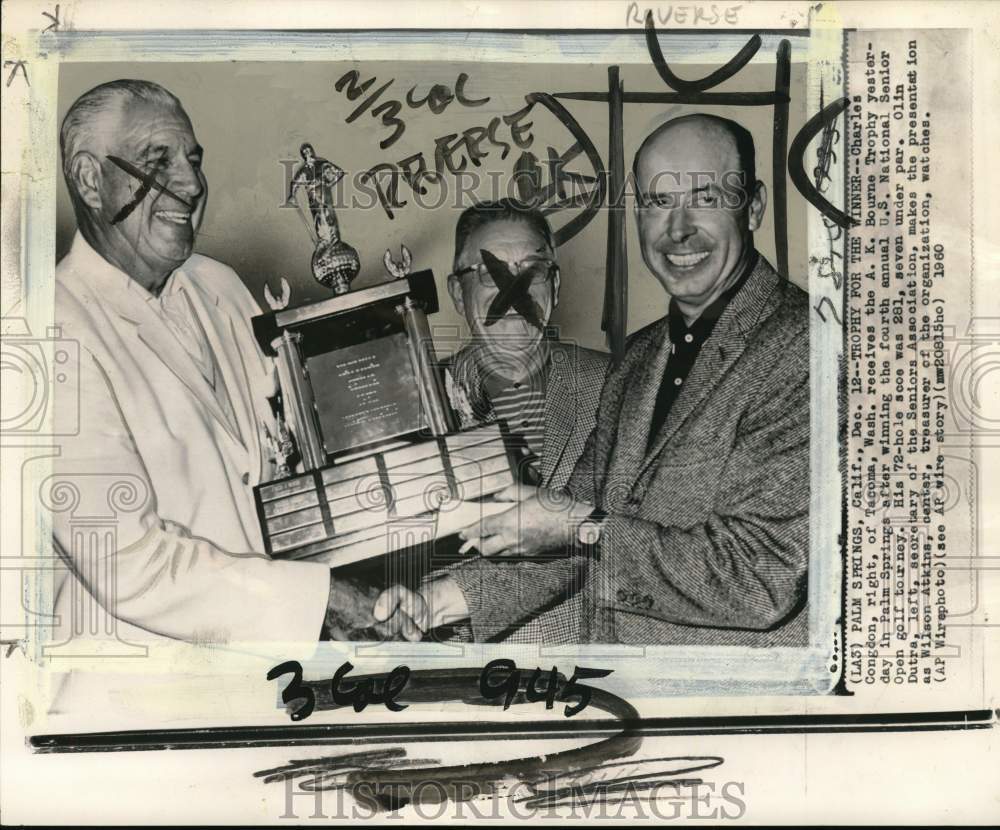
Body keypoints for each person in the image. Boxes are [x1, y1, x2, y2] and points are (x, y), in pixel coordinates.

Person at [379, 114, 810, 646]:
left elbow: (759, 578)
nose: (678, 229)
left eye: (705, 196)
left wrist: (580, 525)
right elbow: (572, 528)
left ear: (755, 206)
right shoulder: (639, 359)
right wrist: (434, 603)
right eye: (656, 203)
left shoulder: (805, 346)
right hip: (622, 690)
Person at [52, 79, 396, 665]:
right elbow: (125, 561)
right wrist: (322, 602)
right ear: (90, 180)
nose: (190, 184)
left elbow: (299, 461)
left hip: (272, 679)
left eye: (192, 160)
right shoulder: (47, 330)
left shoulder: (221, 285)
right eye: (157, 161)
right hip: (131, 698)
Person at [375, 200, 609, 642]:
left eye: (532, 270)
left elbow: (632, 536)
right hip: (458, 671)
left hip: (590, 664)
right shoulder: (410, 404)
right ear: (455, 293)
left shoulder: (620, 382)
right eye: (489, 273)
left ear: (554, 285)